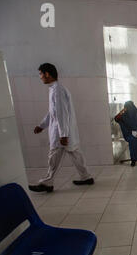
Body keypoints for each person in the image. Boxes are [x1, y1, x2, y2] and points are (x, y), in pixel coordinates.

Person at [28, 63, 94, 193]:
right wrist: (42, 125)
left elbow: (61, 113)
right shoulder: (55, 89)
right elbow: (53, 112)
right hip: (64, 132)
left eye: (41, 74)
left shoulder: (57, 90)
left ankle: (47, 183)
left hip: (61, 133)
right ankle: (86, 177)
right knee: (76, 155)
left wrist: (63, 135)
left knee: (53, 158)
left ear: (47, 74)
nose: (40, 77)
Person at [114, 101, 137, 167]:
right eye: (127, 107)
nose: (130, 109)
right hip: (128, 134)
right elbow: (116, 118)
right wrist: (122, 111)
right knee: (133, 140)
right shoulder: (124, 115)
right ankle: (133, 159)